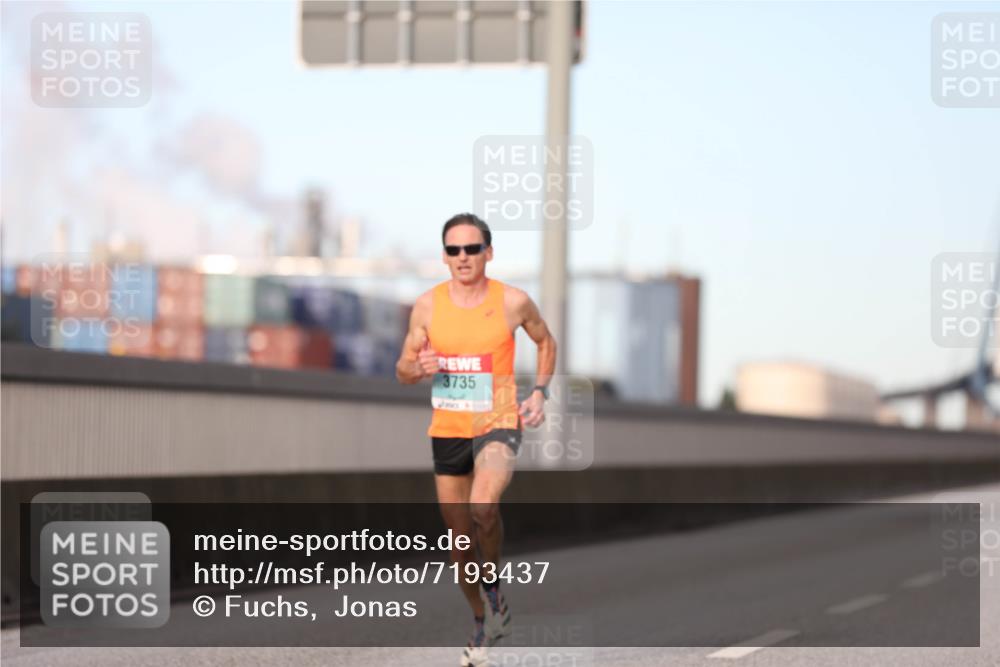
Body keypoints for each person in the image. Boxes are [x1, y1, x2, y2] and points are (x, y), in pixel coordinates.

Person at [396, 213, 557, 666]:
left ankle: (493, 590)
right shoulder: (427, 307)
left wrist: (540, 392)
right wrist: (419, 368)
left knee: (483, 506)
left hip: (498, 421)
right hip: (448, 430)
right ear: (444, 257)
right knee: (459, 541)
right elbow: (402, 370)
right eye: (454, 250)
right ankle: (485, 615)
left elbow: (546, 342)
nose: (463, 257)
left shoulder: (513, 301)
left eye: (472, 248)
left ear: (488, 252)